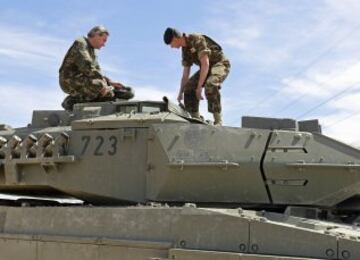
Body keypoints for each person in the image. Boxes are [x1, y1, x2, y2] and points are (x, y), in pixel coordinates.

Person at [163, 27, 230, 125]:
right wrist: (181, 92)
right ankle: (195, 118)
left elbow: (205, 63)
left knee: (211, 84)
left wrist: (199, 87)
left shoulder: (196, 39)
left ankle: (218, 120)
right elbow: (185, 74)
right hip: (206, 68)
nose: (171, 47)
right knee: (189, 87)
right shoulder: (185, 50)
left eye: (171, 44)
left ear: (175, 38)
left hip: (220, 64)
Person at [59, 25, 134, 111]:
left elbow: (97, 71)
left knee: (122, 92)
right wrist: (104, 84)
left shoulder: (92, 51)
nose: (104, 44)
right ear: (97, 35)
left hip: (85, 79)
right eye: (104, 40)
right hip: (69, 81)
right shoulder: (80, 43)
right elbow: (87, 66)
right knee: (100, 86)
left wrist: (111, 83)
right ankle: (71, 101)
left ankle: (88, 100)